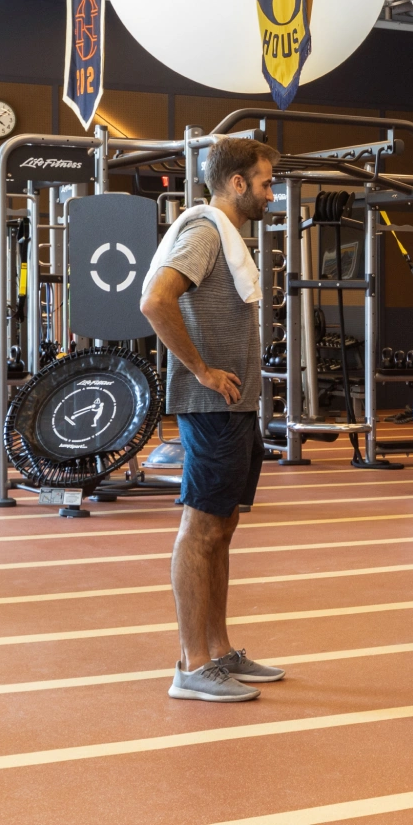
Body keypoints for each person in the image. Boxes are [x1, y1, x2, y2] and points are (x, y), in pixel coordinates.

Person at [140, 136, 281, 702]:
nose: (272, 193)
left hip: (236, 407)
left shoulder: (230, 237)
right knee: (201, 530)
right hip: (210, 405)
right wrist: (199, 369)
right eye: (267, 183)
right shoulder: (202, 232)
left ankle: (218, 651)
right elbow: (155, 300)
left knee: (223, 528)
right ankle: (192, 664)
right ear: (238, 183)